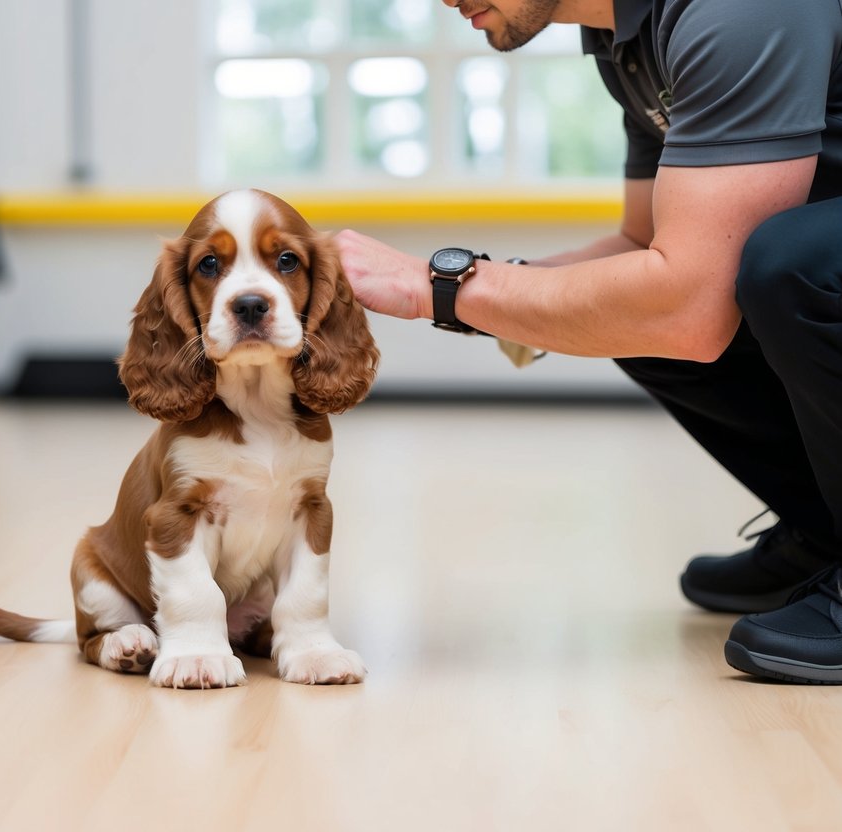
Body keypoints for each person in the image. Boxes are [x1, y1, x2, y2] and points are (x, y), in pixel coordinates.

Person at [336, 0, 842, 684]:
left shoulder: (733, 9)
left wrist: (440, 285)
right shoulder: (625, 41)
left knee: (789, 266)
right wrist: (493, 297)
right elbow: (643, 247)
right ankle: (825, 534)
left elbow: (685, 305)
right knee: (628, 305)